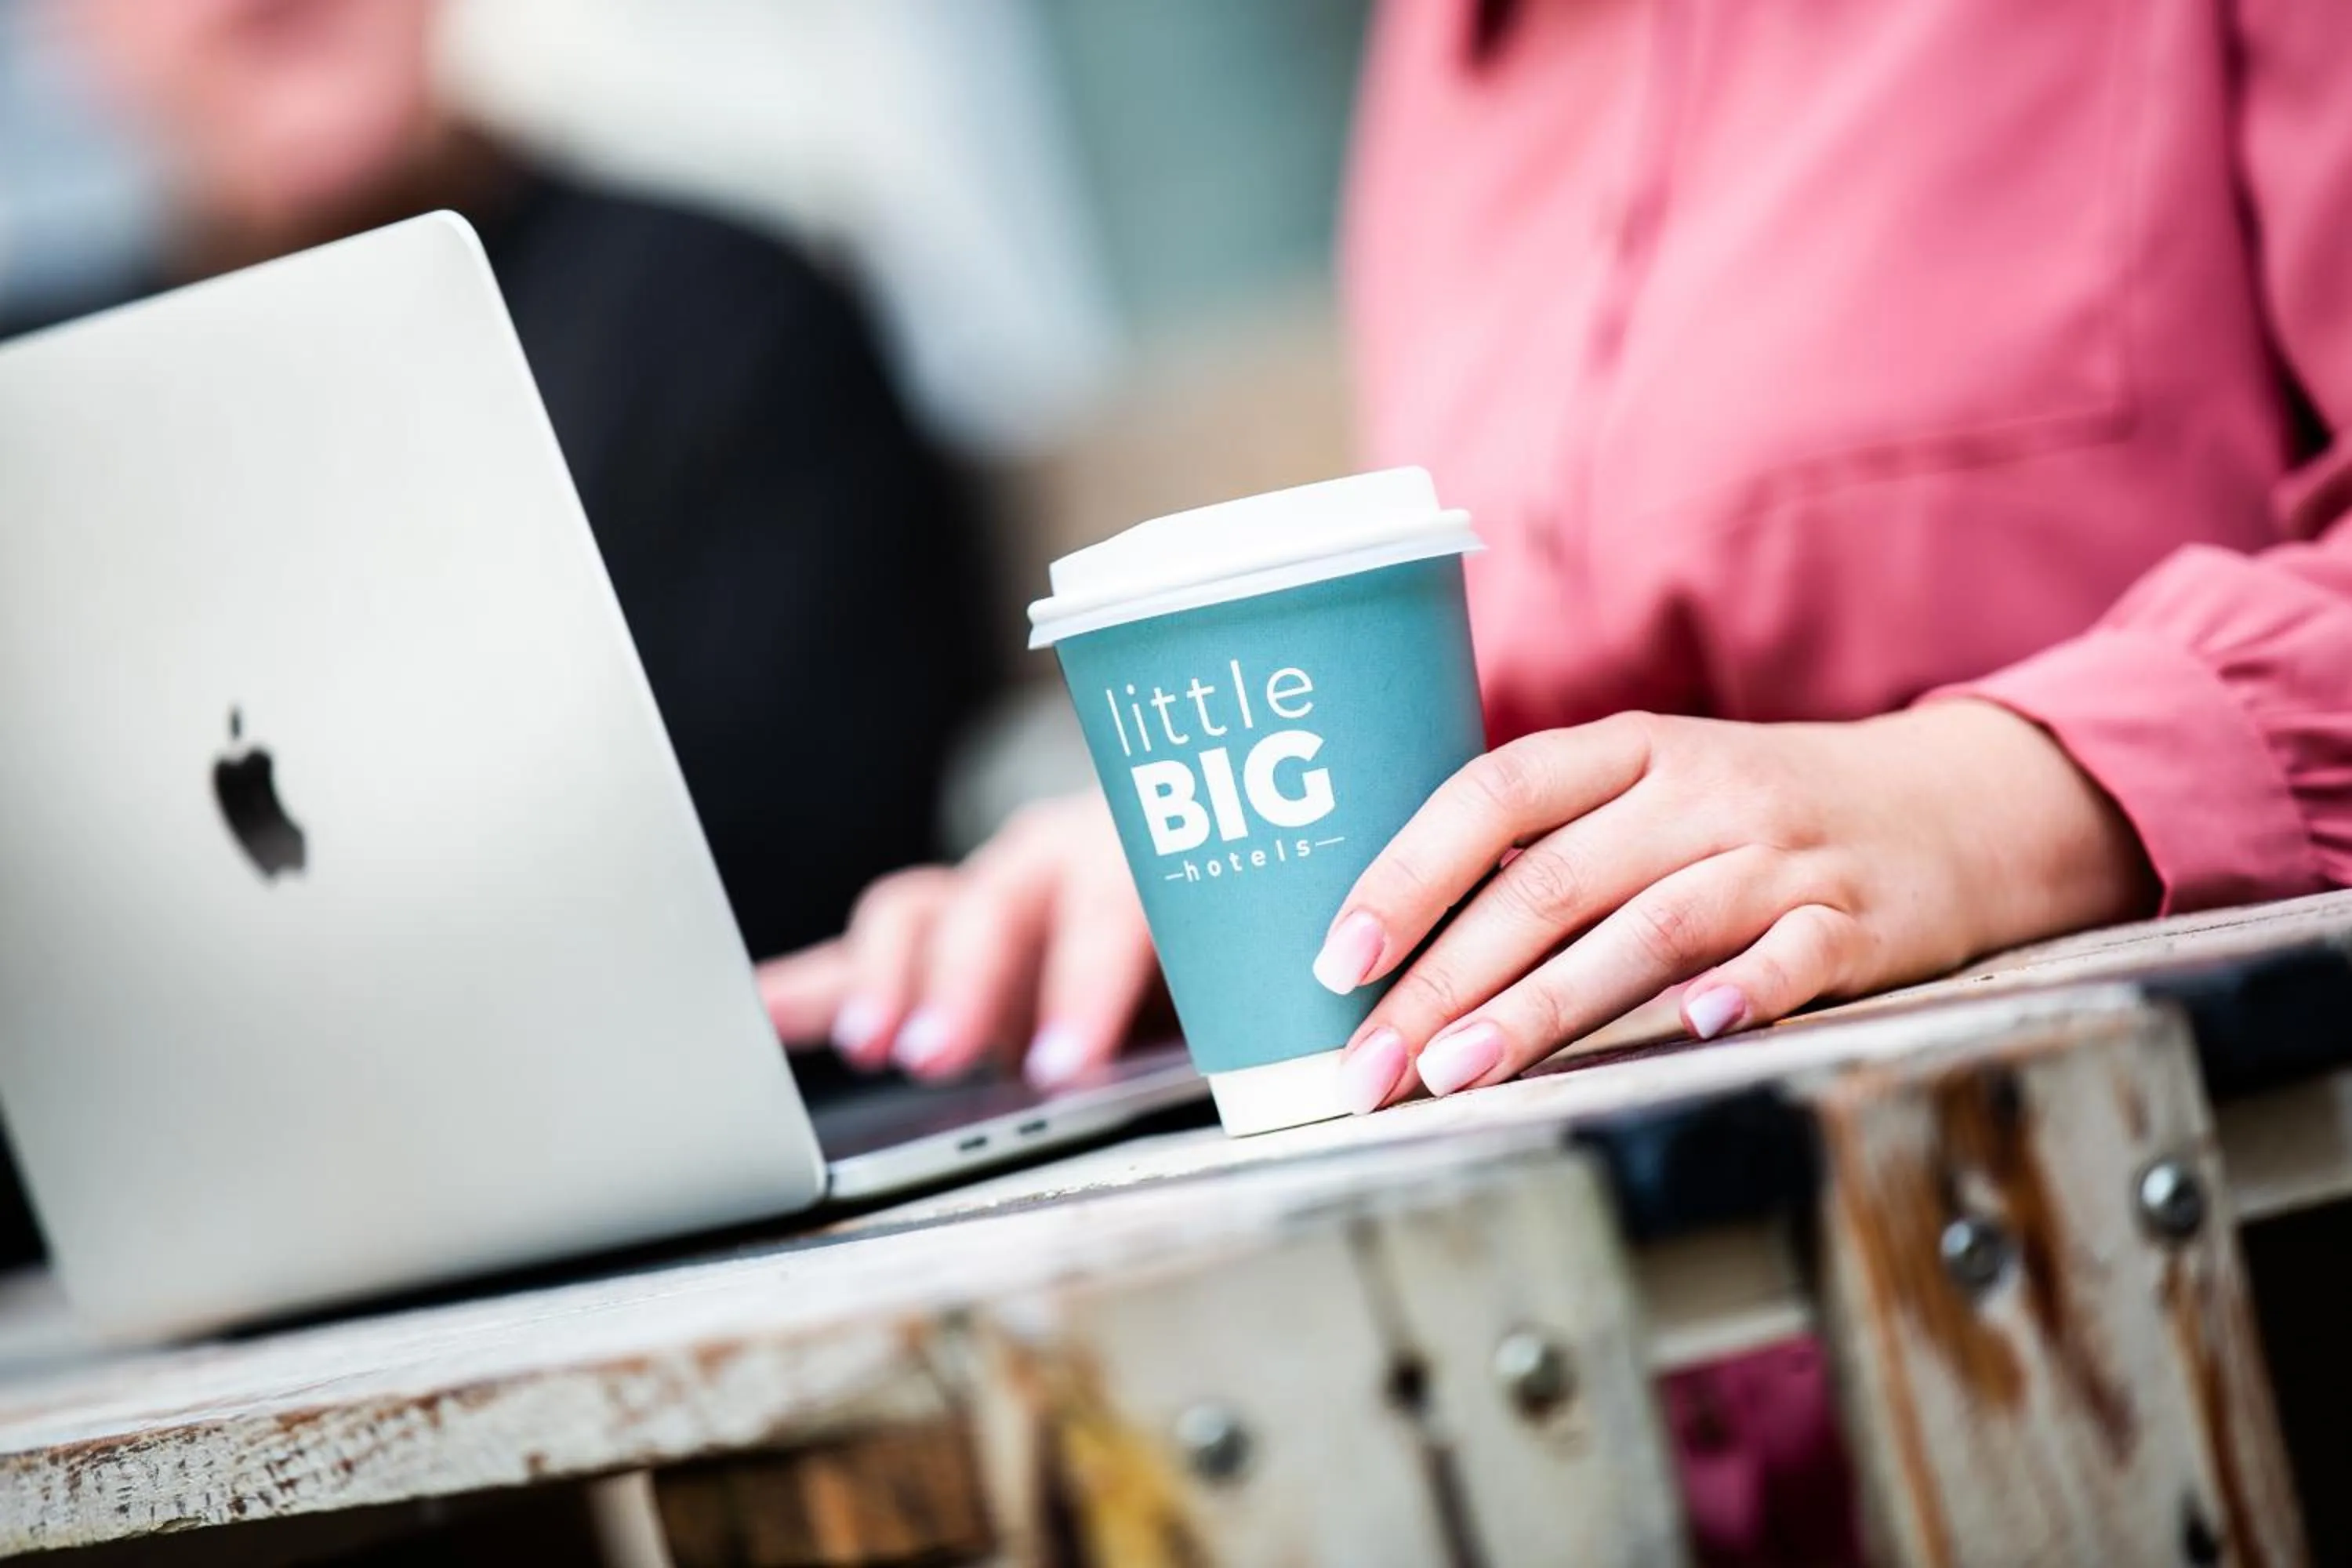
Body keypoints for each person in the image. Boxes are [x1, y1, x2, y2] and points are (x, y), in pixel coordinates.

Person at [758, 5, 2352, 1555]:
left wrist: (1997, 792)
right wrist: (1249, 837)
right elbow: (1544, 668)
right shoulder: (1444, 67)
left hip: (2160, 1349)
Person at [0, 0, 995, 1265]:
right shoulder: (29, 410)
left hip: (732, 1224)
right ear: (62, 36)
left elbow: (808, 875)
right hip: (148, 1278)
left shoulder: (724, 312)